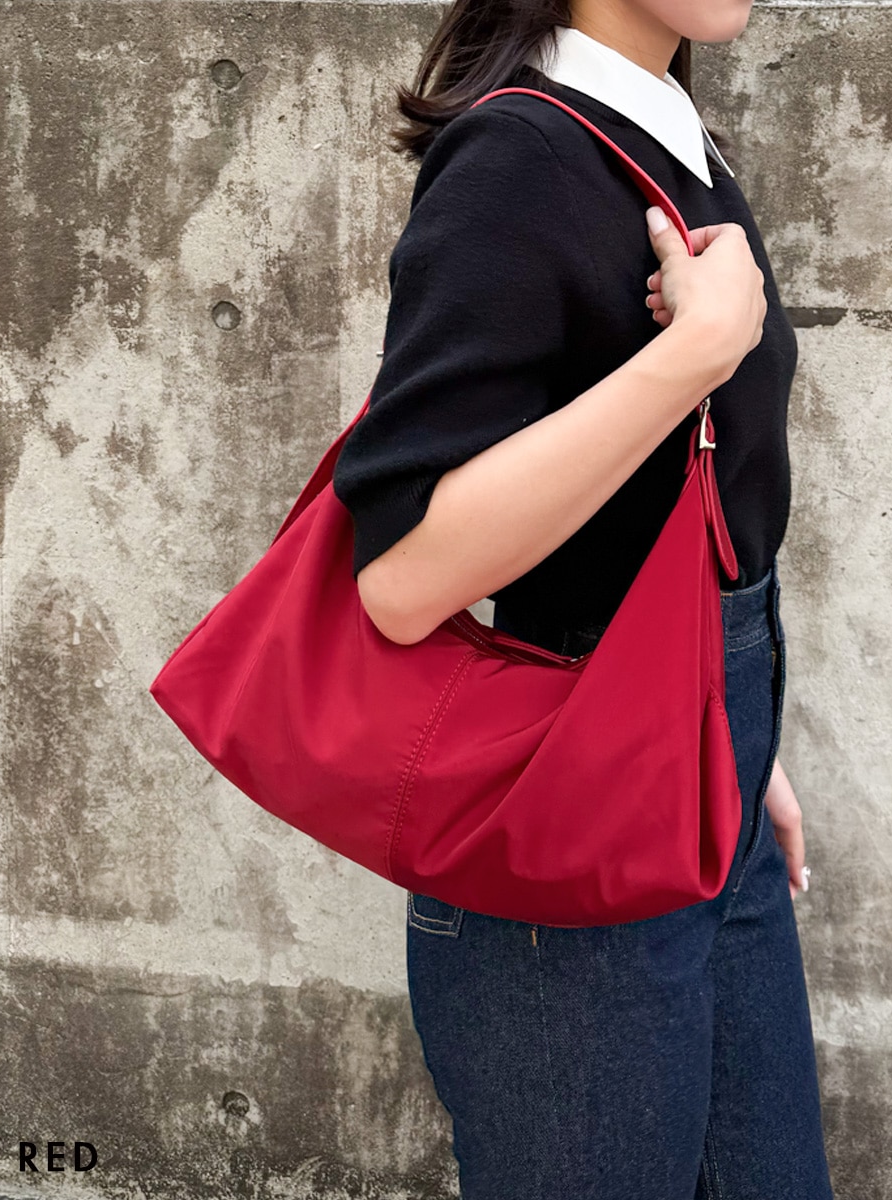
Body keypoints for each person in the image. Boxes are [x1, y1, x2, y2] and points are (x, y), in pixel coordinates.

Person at [331, 2, 835, 1197]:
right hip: (573, 849)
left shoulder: (667, 138)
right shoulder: (520, 155)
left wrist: (730, 725)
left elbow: (678, 512)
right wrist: (689, 356)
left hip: (699, 777)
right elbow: (403, 577)